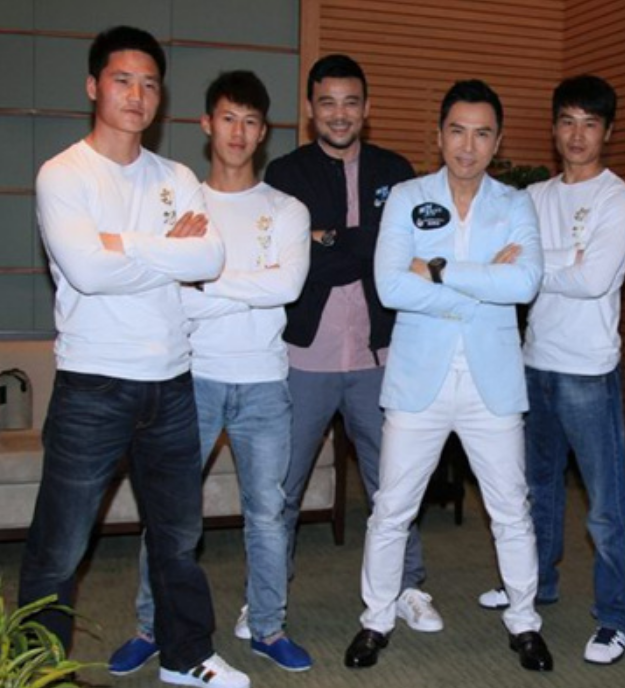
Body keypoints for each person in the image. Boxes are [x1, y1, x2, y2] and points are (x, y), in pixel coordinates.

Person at [18, 25, 250, 688]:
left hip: (171, 382)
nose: (137, 95)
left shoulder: (176, 176)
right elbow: (88, 272)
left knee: (177, 537)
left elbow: (208, 257)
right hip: (94, 385)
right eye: (123, 80)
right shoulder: (63, 174)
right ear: (94, 86)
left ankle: (185, 656)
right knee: (60, 546)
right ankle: (36, 670)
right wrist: (165, 248)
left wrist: (124, 242)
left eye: (150, 84)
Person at [107, 71, 312, 675]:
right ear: (206, 124)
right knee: (169, 515)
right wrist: (236, 287)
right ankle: (152, 626)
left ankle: (268, 626)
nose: (238, 132)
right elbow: (169, 294)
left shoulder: (287, 209)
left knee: (268, 514)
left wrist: (204, 280)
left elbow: (287, 287)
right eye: (227, 118)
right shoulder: (179, 203)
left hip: (265, 382)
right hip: (189, 379)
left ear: (263, 131)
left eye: (250, 121)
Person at [343, 79, 552, 672]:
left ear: (497, 142)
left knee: (511, 510)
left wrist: (436, 270)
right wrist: (480, 282)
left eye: (482, 134)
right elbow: (390, 286)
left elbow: (524, 283)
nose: (468, 146)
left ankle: (524, 621)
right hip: (419, 380)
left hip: (493, 382)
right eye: (457, 131)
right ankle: (376, 618)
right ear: (438, 136)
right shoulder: (407, 197)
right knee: (392, 508)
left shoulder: (516, 203)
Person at [263, 55, 442, 633]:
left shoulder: (398, 171)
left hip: (380, 355)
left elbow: (409, 256)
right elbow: (293, 262)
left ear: (367, 108)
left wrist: (327, 238)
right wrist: (365, 244)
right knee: (282, 488)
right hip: (304, 357)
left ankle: (407, 586)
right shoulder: (285, 174)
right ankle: (266, 597)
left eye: (350, 102)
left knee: (394, 484)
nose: (339, 114)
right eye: (327, 102)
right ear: (310, 109)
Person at [476, 74, 625, 664]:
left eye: (590, 124)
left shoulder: (619, 199)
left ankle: (618, 616)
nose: (577, 135)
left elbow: (593, 279)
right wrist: (564, 259)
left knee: (606, 503)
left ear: (607, 132)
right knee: (535, 489)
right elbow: (505, 271)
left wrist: (537, 263)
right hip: (533, 361)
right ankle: (536, 582)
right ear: (553, 128)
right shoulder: (534, 197)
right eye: (567, 122)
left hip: (589, 369)